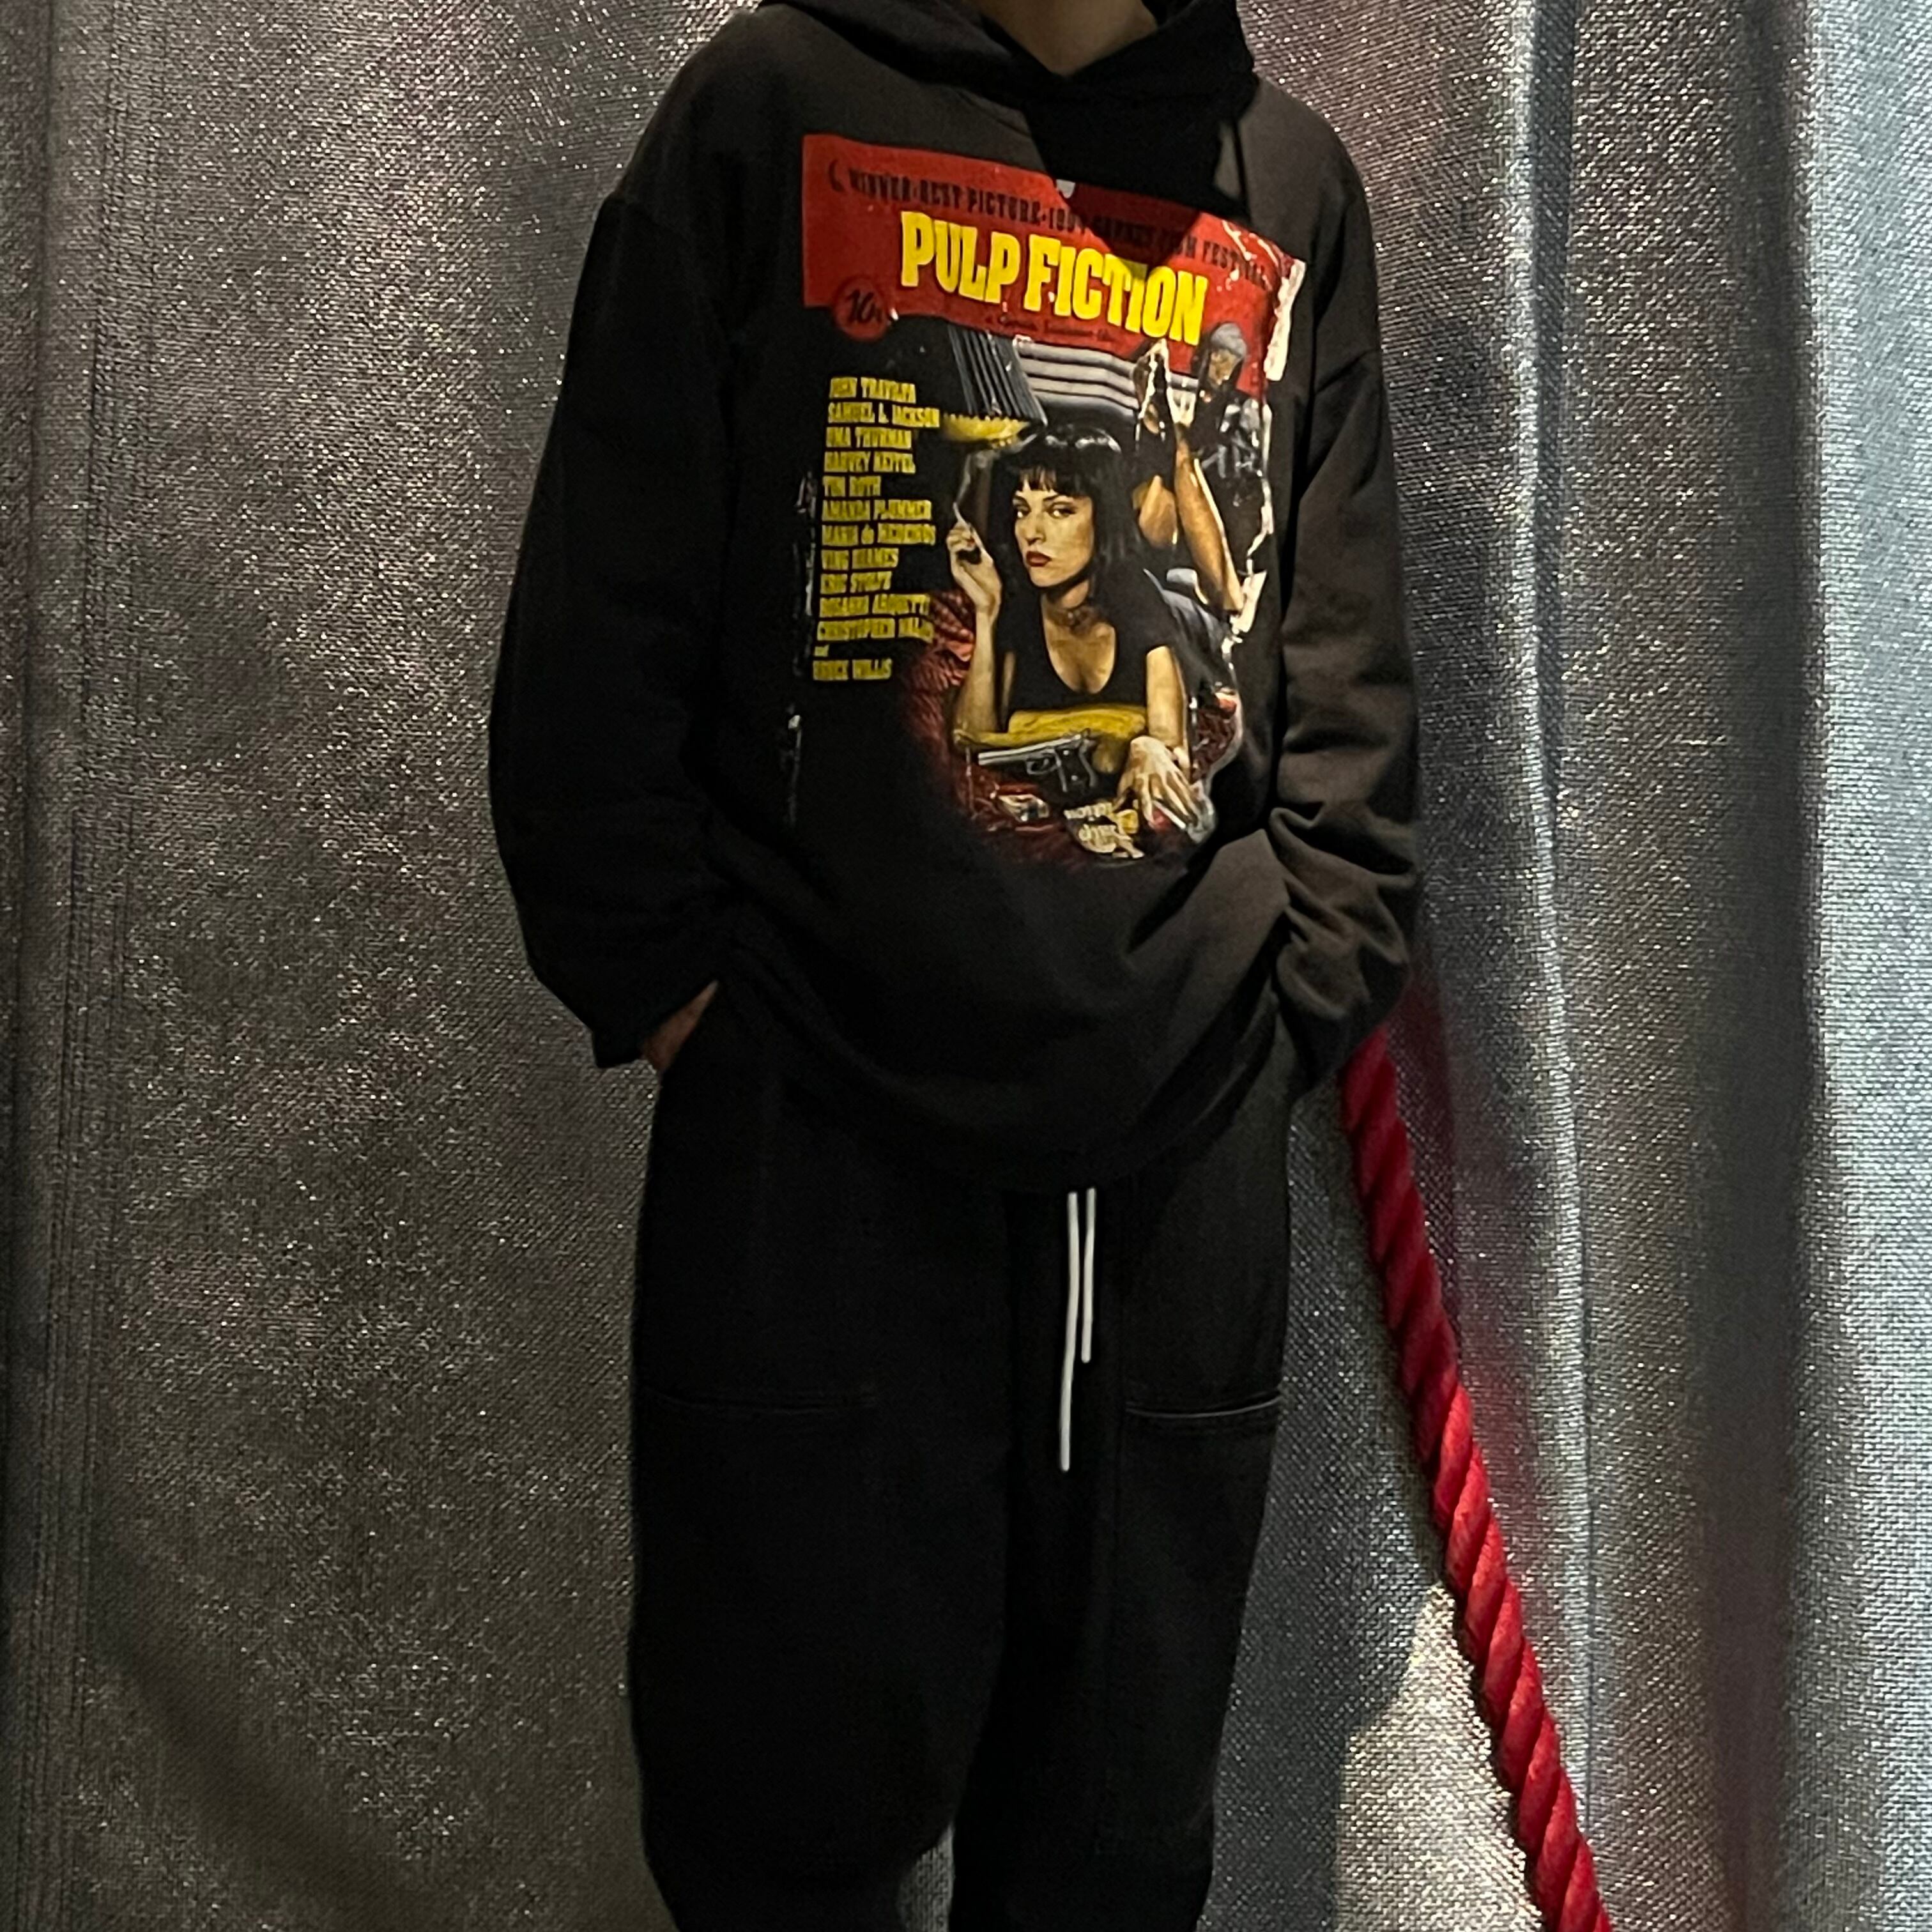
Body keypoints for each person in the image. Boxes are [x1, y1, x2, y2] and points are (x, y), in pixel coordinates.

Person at [486, 0, 1422, 1926]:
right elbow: (604, 614)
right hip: (813, 1148)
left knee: (1115, 1849)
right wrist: (683, 1000)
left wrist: (1284, 1010)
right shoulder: (771, 109)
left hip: (1172, 1178)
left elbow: (1346, 685)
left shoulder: (1292, 184)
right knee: (781, 1828)